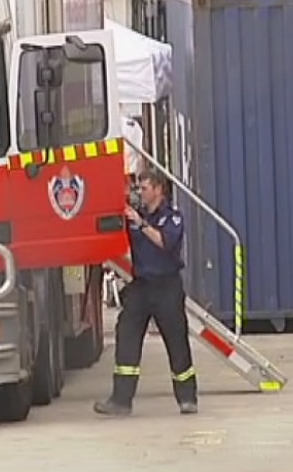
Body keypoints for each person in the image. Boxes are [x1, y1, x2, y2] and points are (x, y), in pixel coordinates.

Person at [94, 171, 198, 416]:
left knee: (177, 342)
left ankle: (187, 398)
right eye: (138, 188)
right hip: (141, 286)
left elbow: (166, 243)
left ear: (159, 190)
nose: (140, 192)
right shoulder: (136, 216)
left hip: (166, 287)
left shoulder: (172, 218)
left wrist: (141, 224)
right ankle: (121, 401)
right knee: (126, 333)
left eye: (145, 187)